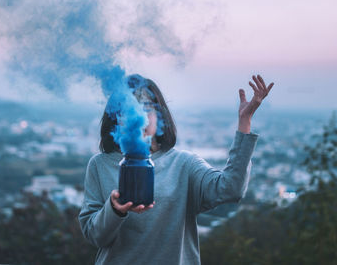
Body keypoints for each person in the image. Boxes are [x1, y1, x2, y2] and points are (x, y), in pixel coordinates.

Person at [78, 74, 274, 264]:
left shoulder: (183, 164)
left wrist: (244, 121)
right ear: (116, 119)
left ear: (159, 116)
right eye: (128, 109)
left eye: (146, 108)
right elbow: (94, 236)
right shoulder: (100, 165)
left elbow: (231, 189)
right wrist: (114, 210)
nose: (138, 116)